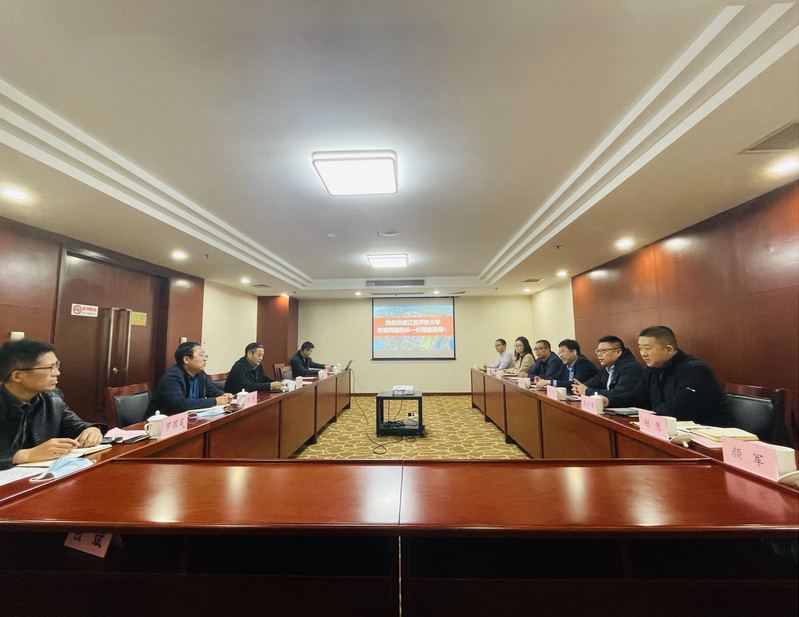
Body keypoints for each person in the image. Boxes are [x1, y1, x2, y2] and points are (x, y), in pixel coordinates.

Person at [0, 338, 104, 469]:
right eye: (50, 367)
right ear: (17, 376)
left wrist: (91, 429)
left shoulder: (52, 397)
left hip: (42, 475)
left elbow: (75, 425)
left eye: (56, 365)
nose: (57, 373)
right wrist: (26, 455)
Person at [599, 326, 733, 426]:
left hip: (711, 435)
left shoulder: (695, 370)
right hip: (673, 430)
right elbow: (637, 396)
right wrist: (609, 401)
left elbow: (679, 409)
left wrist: (650, 415)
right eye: (640, 348)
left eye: (648, 348)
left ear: (668, 349)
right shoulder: (652, 369)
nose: (643, 353)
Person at [147, 342, 232, 415]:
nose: (205, 359)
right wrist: (214, 401)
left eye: (205, 355)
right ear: (186, 359)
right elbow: (179, 405)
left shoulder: (200, 374)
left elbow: (211, 390)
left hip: (189, 417)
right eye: (201, 355)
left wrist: (224, 395)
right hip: (162, 421)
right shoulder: (172, 377)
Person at [572, 335, 643, 398]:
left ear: (618, 352)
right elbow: (591, 384)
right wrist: (579, 388)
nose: (599, 354)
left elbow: (619, 393)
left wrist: (587, 391)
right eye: (598, 351)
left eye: (603, 351)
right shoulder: (607, 368)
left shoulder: (631, 368)